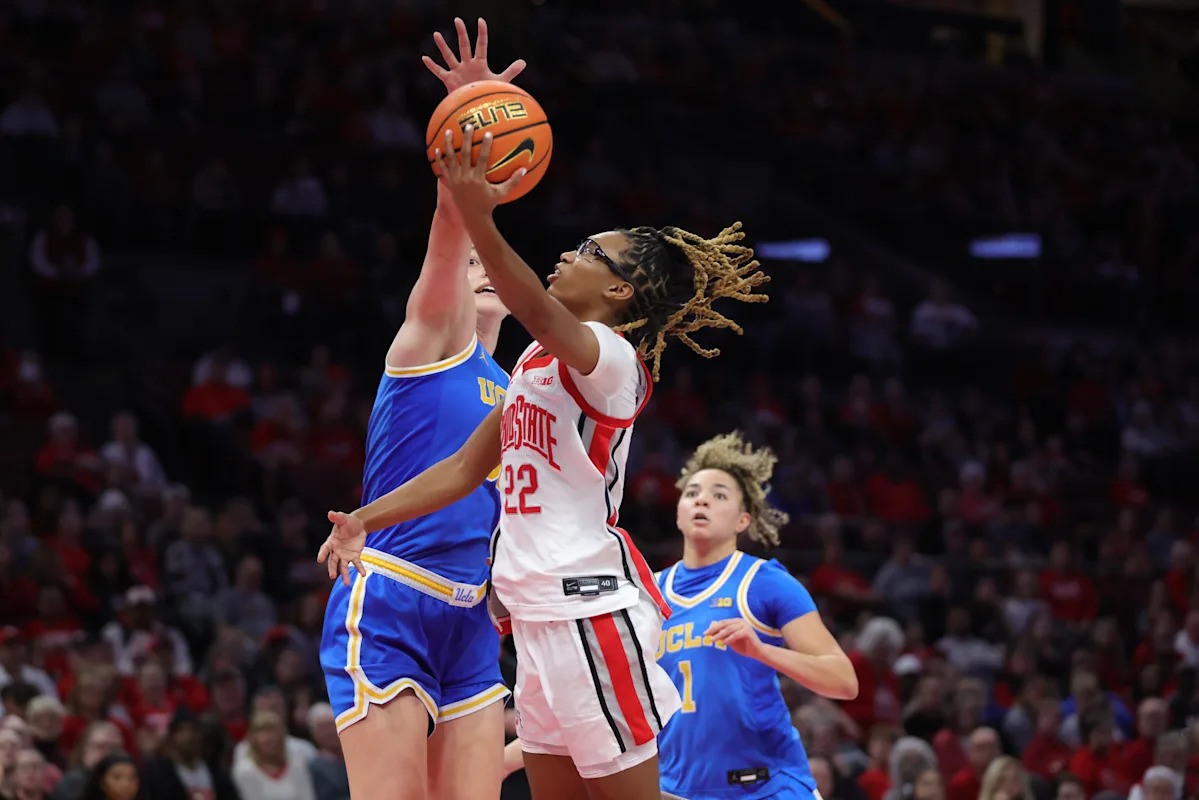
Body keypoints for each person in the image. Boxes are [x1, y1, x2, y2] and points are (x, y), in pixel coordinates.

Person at [320, 113, 771, 798]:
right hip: (530, 616)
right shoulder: (531, 365)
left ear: (619, 291)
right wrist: (364, 518)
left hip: (588, 604)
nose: (569, 253)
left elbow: (532, 306)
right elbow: (464, 468)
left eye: (591, 252)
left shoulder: (611, 359)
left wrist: (478, 215)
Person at [315, 17, 524, 800]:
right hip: (393, 593)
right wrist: (469, 121)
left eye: (490, 259)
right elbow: (447, 229)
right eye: (470, 260)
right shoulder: (431, 340)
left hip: (470, 619)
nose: (480, 266)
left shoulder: (518, 387)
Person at [502, 433, 857, 799]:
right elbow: (594, 703)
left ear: (743, 520)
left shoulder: (765, 582)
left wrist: (763, 651)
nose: (701, 499)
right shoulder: (642, 594)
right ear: (678, 513)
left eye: (719, 495)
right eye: (692, 493)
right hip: (676, 791)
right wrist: (506, 760)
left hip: (766, 786)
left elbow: (844, 680)